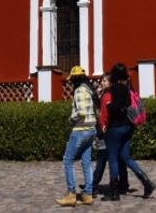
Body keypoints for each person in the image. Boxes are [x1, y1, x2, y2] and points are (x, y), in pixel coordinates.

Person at [98, 63, 155, 200]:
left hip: (115, 128)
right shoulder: (126, 89)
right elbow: (127, 106)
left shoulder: (114, 90)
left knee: (113, 159)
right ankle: (146, 182)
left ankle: (114, 192)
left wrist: (109, 105)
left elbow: (116, 109)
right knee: (126, 157)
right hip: (127, 127)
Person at [56, 66, 97, 207]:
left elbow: (80, 112)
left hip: (80, 129)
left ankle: (71, 194)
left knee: (68, 160)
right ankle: (88, 195)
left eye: (71, 80)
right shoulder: (90, 90)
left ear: (75, 79)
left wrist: (70, 119)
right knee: (86, 162)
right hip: (91, 129)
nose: (70, 83)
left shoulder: (79, 91)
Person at [89, 76, 130, 195]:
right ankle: (123, 184)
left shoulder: (109, 95)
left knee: (103, 157)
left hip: (107, 130)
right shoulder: (105, 94)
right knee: (117, 158)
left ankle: (94, 184)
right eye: (101, 80)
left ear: (110, 82)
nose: (102, 82)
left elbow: (105, 114)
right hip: (110, 129)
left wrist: (102, 129)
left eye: (104, 80)